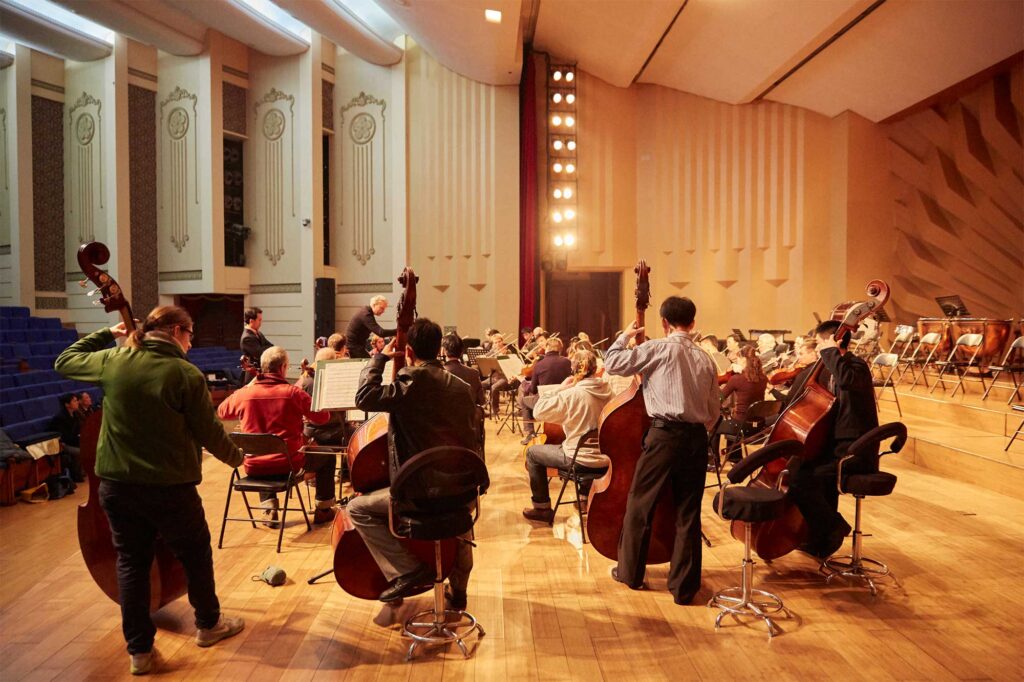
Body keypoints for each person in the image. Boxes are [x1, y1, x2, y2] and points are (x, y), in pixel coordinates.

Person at [54, 305, 245, 675]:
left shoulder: (114, 361)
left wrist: (108, 334)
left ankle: (139, 652)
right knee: (195, 554)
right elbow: (210, 432)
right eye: (190, 334)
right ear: (175, 331)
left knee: (131, 563)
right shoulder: (184, 373)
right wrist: (237, 458)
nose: (191, 343)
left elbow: (64, 361)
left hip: (117, 487)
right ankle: (208, 625)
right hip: (170, 488)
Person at [348, 318, 480, 608]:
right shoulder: (461, 387)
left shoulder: (410, 384)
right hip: (464, 493)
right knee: (457, 511)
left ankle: (407, 570)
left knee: (357, 508)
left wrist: (379, 359)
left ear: (408, 351)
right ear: (439, 349)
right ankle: (459, 592)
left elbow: (364, 397)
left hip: (420, 498)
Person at [602, 296, 720, 605]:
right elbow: (713, 412)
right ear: (692, 323)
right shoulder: (707, 359)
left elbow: (612, 364)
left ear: (664, 323)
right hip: (696, 438)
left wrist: (624, 337)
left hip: (664, 436)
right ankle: (684, 588)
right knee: (688, 511)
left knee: (641, 504)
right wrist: (695, 428)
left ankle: (630, 573)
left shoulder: (657, 349)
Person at [789, 319, 878, 559]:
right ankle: (821, 541)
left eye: (820, 343)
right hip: (838, 448)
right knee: (804, 471)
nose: (818, 348)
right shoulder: (834, 367)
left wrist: (829, 351)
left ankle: (834, 526)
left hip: (855, 452)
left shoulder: (857, 366)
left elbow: (846, 381)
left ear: (834, 341)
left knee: (800, 479)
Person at [217, 347, 335, 525]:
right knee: (328, 455)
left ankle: (269, 507)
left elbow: (222, 411)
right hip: (288, 466)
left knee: (263, 450)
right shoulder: (293, 393)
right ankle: (324, 509)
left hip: (254, 467)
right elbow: (323, 417)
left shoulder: (245, 394)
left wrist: (248, 386)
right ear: (282, 368)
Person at [521, 350, 614, 522]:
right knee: (583, 443)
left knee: (532, 453)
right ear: (595, 369)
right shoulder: (609, 392)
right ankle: (584, 497)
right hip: (605, 459)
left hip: (579, 460)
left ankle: (541, 508)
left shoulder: (573, 394)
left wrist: (561, 388)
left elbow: (539, 411)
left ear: (574, 370)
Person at [715, 345, 770, 462]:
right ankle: (734, 458)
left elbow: (719, 399)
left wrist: (716, 386)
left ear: (744, 360)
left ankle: (713, 460)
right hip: (759, 426)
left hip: (741, 427)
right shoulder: (764, 378)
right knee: (734, 420)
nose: (736, 361)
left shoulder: (737, 379)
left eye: (738, 358)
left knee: (714, 425)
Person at [518, 337, 572, 444]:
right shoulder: (567, 362)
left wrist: (523, 381)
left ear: (547, 347)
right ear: (560, 349)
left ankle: (530, 433)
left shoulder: (539, 365)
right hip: (563, 400)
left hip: (545, 402)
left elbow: (533, 390)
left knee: (524, 401)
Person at [48, 393, 85, 482]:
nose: (77, 403)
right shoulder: (60, 418)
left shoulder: (76, 414)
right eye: (74, 401)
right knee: (80, 451)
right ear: (67, 404)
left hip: (73, 441)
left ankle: (84, 472)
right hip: (62, 444)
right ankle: (76, 475)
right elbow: (65, 437)